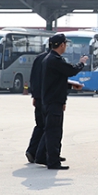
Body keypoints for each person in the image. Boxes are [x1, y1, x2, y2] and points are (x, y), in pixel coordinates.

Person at [35, 33, 87, 170]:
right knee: (54, 132)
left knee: (49, 130)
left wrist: (70, 85)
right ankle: (53, 162)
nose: (66, 47)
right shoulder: (55, 60)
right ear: (62, 45)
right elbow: (71, 70)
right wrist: (82, 63)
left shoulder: (49, 59)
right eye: (66, 44)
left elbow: (56, 80)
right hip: (54, 102)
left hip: (49, 101)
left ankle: (41, 156)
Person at [25, 45, 50, 163]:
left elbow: (33, 78)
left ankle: (32, 151)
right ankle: (43, 154)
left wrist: (34, 95)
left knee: (40, 125)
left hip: (39, 98)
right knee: (49, 127)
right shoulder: (55, 60)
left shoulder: (39, 58)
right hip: (48, 99)